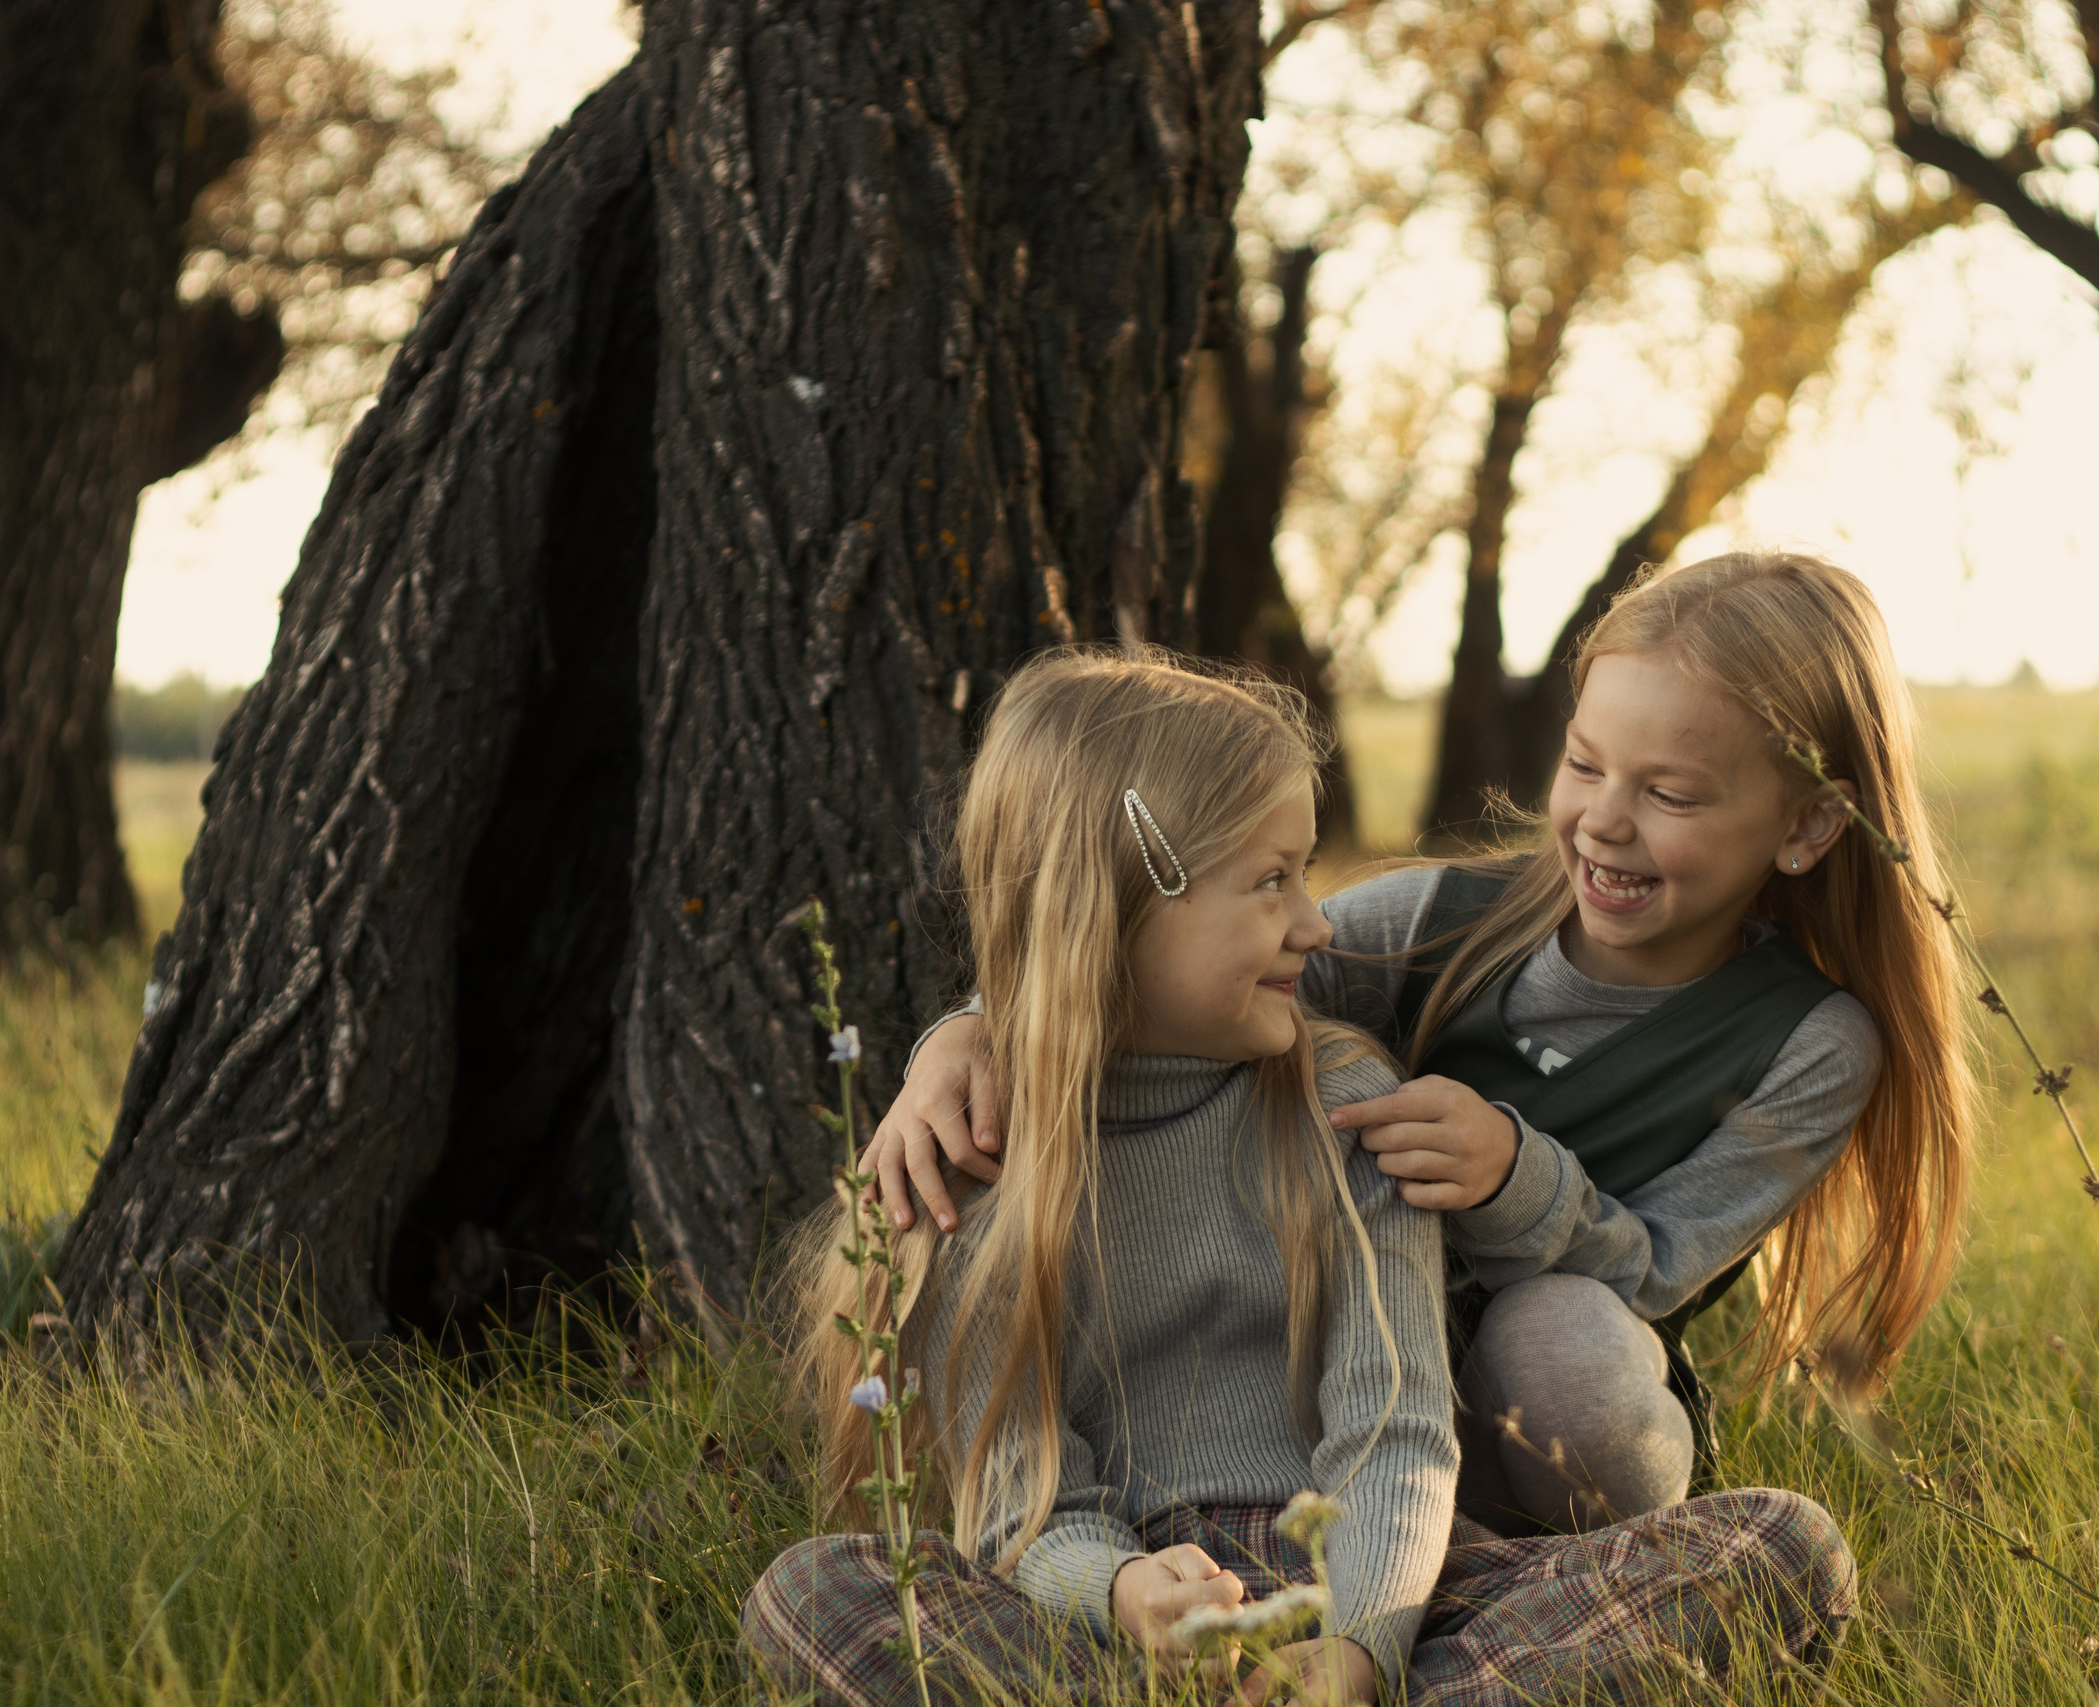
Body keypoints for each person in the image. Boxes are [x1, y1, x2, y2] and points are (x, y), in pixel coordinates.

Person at [744, 647, 1855, 1705]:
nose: (1317, 926)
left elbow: (1395, 1425)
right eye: (1271, 881)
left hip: (1376, 1579)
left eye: (1307, 875)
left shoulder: (1340, 1103)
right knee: (813, 1593)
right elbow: (1015, 1495)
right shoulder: (981, 1164)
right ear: (1119, 904)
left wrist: (1361, 1644)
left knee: (1782, 1545)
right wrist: (1122, 1590)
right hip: (1115, 1615)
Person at [867, 554, 1976, 1536]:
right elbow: (1169, 977)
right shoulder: (1438, 921)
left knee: (1562, 1346)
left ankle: (1514, 1566)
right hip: (1318, 1373)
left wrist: (1510, 1174)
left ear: (1807, 824)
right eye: (1584, 765)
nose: (1604, 820)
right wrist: (970, 1031)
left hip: (1531, 1429)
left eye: (1671, 794)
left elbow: (1652, 1274)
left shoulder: (1809, 1045)